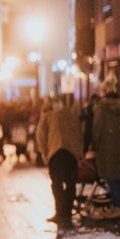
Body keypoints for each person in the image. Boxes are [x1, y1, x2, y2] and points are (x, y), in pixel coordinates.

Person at [35, 95, 83, 227]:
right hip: (71, 153)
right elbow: (80, 133)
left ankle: (60, 213)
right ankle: (67, 212)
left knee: (57, 184)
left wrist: (44, 152)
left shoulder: (48, 116)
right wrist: (79, 153)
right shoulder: (73, 116)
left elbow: (41, 134)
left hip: (56, 152)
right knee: (70, 183)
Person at [91, 78, 120, 218]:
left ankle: (117, 206)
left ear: (104, 90)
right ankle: (118, 204)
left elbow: (97, 129)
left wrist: (94, 143)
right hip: (119, 143)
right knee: (118, 175)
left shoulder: (101, 107)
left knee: (110, 175)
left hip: (105, 145)